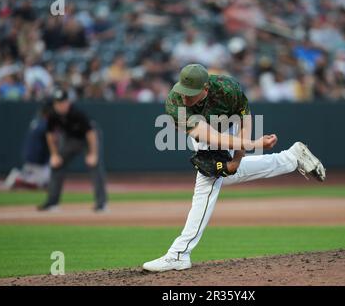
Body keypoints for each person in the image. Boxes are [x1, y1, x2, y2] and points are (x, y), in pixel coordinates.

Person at [142, 64, 326, 272]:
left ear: (205, 89)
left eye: (191, 94)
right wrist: (251, 150)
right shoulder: (175, 103)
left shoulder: (227, 89)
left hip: (229, 125)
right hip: (205, 131)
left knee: (208, 180)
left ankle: (179, 254)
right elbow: (212, 137)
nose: (186, 98)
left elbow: (245, 120)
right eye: (184, 92)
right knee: (219, 174)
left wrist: (238, 159)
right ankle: (292, 158)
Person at [38, 89, 107, 212]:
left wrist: (93, 154)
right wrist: (54, 154)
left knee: (95, 166)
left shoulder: (77, 113)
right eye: (58, 103)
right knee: (57, 165)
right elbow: (50, 135)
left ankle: (101, 203)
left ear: (68, 102)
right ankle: (52, 202)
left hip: (88, 139)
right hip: (71, 140)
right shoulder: (53, 115)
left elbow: (91, 134)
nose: (60, 105)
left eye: (63, 102)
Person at [4, 101, 52, 189]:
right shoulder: (45, 123)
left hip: (32, 156)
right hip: (37, 158)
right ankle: (18, 177)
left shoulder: (38, 121)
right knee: (44, 182)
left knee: (47, 181)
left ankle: (23, 176)